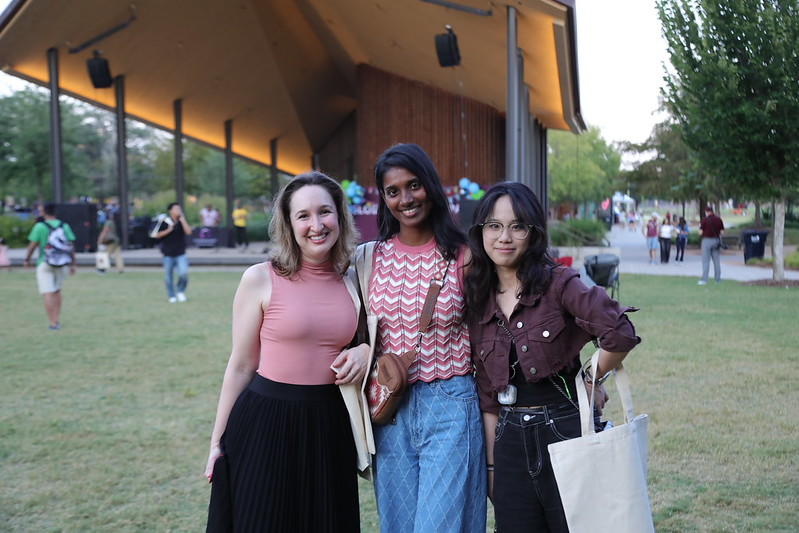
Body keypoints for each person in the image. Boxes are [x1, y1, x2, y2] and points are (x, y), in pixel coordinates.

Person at [464, 182, 641, 532]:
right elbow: (487, 395)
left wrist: (592, 380)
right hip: (509, 441)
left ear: (533, 232)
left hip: (566, 431)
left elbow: (618, 332)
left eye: (517, 226)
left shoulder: (558, 283)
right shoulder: (478, 297)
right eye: (494, 226)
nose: (504, 237)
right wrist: (491, 467)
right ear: (481, 232)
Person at [204, 171, 372, 532]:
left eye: (325, 212)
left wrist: (364, 350)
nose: (317, 224)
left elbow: (380, 336)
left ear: (340, 217)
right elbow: (241, 365)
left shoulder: (356, 278)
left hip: (330, 425)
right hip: (265, 423)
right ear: (288, 223)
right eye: (304, 215)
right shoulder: (260, 278)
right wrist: (216, 443)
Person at [360, 143, 486, 532]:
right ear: (383, 198)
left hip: (449, 405)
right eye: (393, 191)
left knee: (441, 526)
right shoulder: (368, 258)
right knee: (397, 525)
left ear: (430, 185)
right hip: (388, 408)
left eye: (413, 185)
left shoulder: (465, 255)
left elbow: (492, 331)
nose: (405, 199)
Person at [22, 202, 77, 329]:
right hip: (62, 263)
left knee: (48, 293)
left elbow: (32, 245)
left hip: (44, 262)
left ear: (44, 212)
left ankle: (52, 322)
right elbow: (71, 247)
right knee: (57, 291)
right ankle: (57, 319)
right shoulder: (64, 226)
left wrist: (27, 260)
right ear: (55, 212)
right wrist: (73, 264)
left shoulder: (40, 226)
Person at [154, 202, 192, 302]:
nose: (178, 211)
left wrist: (182, 219)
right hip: (168, 254)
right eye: (176, 209)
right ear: (170, 211)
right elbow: (157, 235)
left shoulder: (181, 222)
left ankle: (180, 291)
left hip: (180, 253)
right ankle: (172, 295)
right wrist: (168, 230)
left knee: (183, 273)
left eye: (179, 209)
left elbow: (188, 232)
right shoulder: (165, 222)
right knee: (168, 277)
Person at [698, 205, 724, 285]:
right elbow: (722, 231)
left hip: (706, 241)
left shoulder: (705, 220)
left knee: (706, 261)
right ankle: (718, 279)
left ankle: (704, 279)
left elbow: (700, 232)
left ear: (706, 212)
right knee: (716, 261)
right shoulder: (718, 219)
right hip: (716, 240)